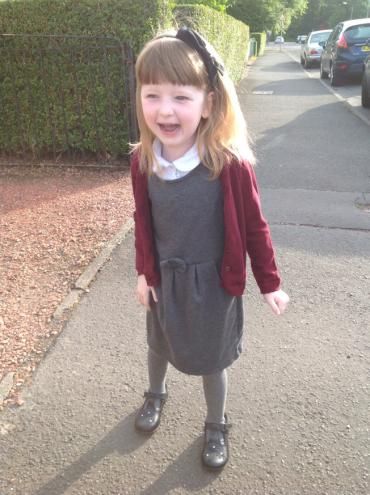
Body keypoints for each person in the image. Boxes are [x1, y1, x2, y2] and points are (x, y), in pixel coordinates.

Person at [130, 26, 289, 470]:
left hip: (215, 286)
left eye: (181, 97)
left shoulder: (228, 164)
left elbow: (254, 227)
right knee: (158, 342)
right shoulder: (143, 161)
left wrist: (269, 283)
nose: (164, 110)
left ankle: (216, 422)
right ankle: (155, 393)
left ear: (208, 103)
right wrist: (144, 272)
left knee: (212, 358)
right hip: (165, 278)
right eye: (152, 95)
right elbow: (144, 222)